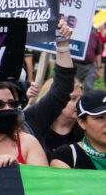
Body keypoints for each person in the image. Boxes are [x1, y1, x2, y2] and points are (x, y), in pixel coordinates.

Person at [25, 20, 81, 159]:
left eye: (80, 98)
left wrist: (63, 45)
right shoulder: (35, 125)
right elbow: (61, 90)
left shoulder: (85, 129)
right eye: (72, 99)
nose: (79, 104)